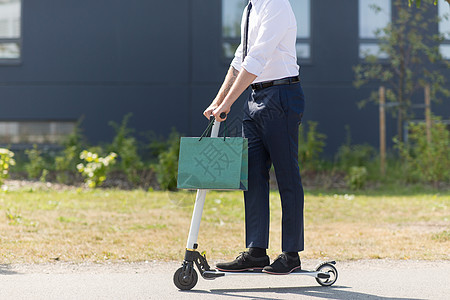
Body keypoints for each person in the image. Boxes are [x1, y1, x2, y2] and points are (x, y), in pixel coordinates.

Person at [203, 0, 305, 275]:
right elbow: (240, 59)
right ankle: (256, 251)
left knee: (286, 175)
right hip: (255, 96)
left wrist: (229, 103)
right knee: (253, 174)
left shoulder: (277, 5)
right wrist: (218, 101)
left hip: (282, 95)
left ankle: (291, 254)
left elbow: (256, 59)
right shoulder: (251, 8)